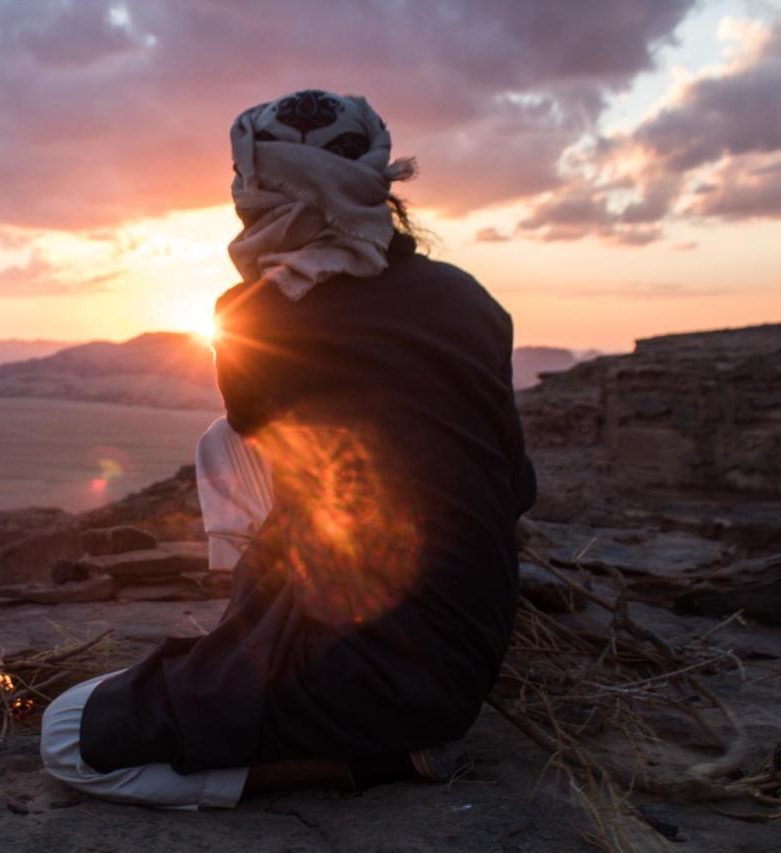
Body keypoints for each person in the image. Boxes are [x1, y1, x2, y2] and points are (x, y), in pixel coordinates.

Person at [40, 89, 537, 808]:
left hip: (384, 678)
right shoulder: (470, 298)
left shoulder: (254, 313)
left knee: (65, 734)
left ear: (265, 191)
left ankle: (369, 763)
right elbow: (513, 484)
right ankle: (260, 642)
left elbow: (265, 422)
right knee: (224, 444)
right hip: (471, 643)